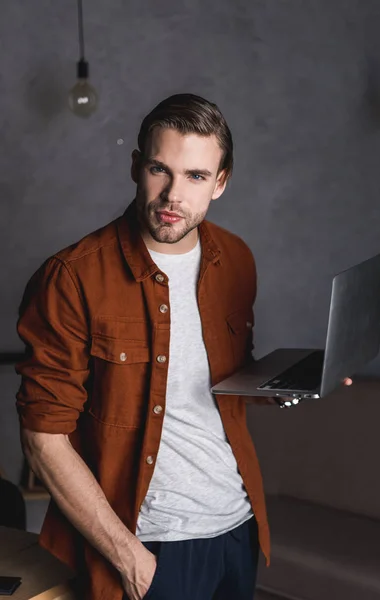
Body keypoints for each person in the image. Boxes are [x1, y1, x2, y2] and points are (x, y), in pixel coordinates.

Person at [16, 93, 352, 600]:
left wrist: (289, 383)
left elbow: (218, 382)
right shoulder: (71, 277)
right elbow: (44, 439)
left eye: (196, 176)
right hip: (149, 545)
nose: (173, 195)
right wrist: (132, 562)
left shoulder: (235, 258)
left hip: (238, 526)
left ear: (220, 183)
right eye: (160, 169)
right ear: (136, 167)